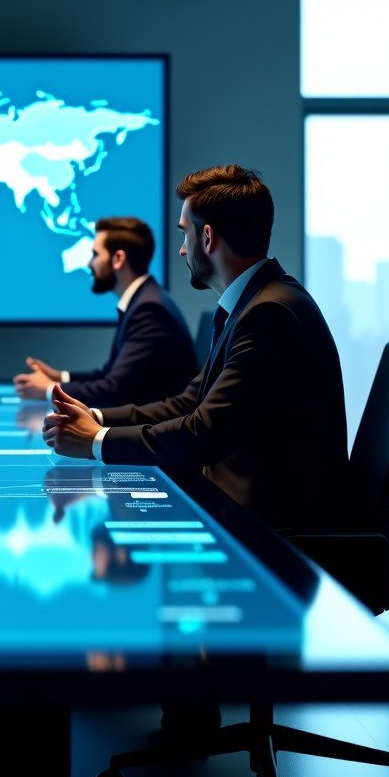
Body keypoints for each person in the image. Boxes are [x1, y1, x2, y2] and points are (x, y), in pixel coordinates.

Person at [43, 165, 348, 535]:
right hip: (239, 504)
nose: (183, 249)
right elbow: (189, 403)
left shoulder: (270, 313)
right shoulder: (254, 303)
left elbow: (205, 433)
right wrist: (95, 417)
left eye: (185, 234)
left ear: (208, 238)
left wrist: (95, 441)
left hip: (270, 529)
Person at [14, 216, 197, 406]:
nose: (89, 264)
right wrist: (60, 376)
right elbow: (110, 375)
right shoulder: (144, 300)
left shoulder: (149, 310)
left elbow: (114, 390)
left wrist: (50, 389)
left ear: (118, 259)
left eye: (95, 254)